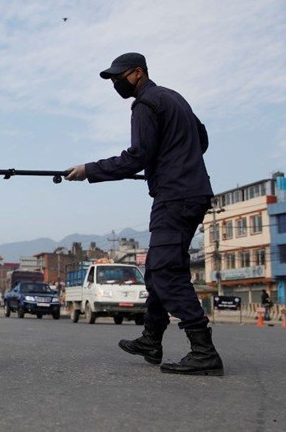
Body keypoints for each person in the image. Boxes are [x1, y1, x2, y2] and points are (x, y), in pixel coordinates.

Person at [66, 52, 224, 376]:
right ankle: (151, 339)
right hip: (191, 192)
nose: (115, 83)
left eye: (118, 77)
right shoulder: (173, 98)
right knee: (156, 269)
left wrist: (88, 170)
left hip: (175, 197)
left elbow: (136, 157)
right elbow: (201, 139)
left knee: (166, 272)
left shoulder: (145, 104)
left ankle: (203, 350)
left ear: (138, 73)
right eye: (111, 79)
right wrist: (175, 157)